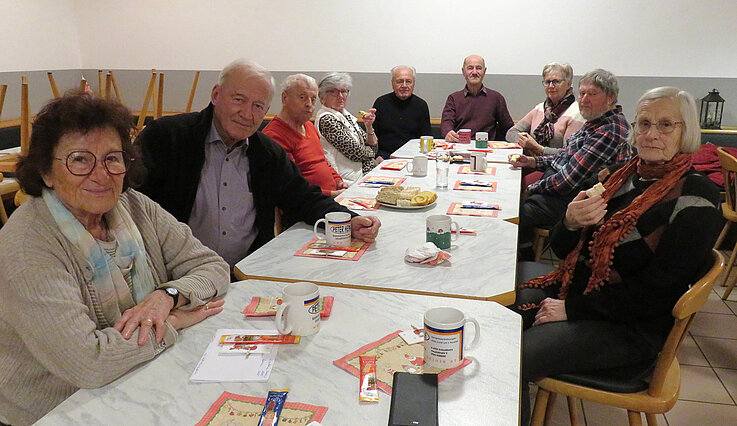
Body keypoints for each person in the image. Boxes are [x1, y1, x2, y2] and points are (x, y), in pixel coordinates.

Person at [0, 93, 230, 425]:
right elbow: (88, 362)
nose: (101, 174)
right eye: (80, 160)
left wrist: (167, 296)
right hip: (56, 411)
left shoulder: (134, 206)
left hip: (137, 381)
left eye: (112, 158)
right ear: (46, 171)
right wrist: (172, 322)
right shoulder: (28, 246)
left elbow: (213, 267)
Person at [511, 87, 722, 425]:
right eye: (644, 123)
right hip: (586, 293)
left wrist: (570, 309)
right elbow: (564, 249)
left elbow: (656, 295)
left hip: (634, 328)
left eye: (666, 124)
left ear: (687, 132)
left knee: (515, 353)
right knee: (504, 297)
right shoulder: (621, 176)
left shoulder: (697, 199)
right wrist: (569, 221)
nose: (651, 134)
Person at [136, 60, 381, 267]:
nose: (247, 114)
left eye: (258, 106)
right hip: (176, 276)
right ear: (216, 95)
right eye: (239, 100)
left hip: (245, 273)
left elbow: (303, 197)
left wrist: (349, 219)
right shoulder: (167, 138)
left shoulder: (266, 152)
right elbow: (131, 204)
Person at [510, 69, 633, 254]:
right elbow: (564, 156)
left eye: (592, 94)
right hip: (559, 194)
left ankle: (518, 260)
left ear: (611, 97)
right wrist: (532, 162)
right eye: (582, 93)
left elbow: (567, 181)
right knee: (513, 203)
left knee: (512, 213)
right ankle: (524, 252)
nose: (584, 99)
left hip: (573, 201)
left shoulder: (610, 130)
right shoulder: (595, 122)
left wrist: (531, 188)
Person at [262, 73, 348, 198]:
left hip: (330, 196)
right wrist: (333, 194)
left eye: (313, 99)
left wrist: (339, 182)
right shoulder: (274, 135)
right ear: (284, 98)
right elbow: (291, 186)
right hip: (309, 203)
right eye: (302, 97)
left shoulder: (309, 126)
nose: (309, 104)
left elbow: (323, 162)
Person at [506, 62, 585, 156]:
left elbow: (568, 154)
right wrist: (526, 144)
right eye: (547, 82)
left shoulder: (576, 113)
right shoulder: (540, 108)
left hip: (555, 165)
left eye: (556, 82)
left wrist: (538, 148)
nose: (551, 86)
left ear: (568, 84)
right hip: (531, 161)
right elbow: (511, 133)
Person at [315, 72, 378, 184]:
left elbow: (374, 146)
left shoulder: (346, 115)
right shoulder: (327, 119)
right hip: (348, 180)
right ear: (322, 96)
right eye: (333, 92)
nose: (340, 96)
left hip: (364, 173)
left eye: (344, 91)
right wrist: (371, 153)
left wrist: (369, 127)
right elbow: (355, 153)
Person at [441, 54, 514, 142]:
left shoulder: (496, 98)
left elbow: (508, 127)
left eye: (478, 68)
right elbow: (446, 123)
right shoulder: (453, 99)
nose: (474, 72)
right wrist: (448, 133)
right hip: (460, 146)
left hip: (486, 147)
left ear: (484, 71)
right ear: (463, 71)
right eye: (470, 68)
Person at [372, 66, 432, 159]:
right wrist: (377, 156)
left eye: (408, 81)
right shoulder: (380, 103)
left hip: (412, 157)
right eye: (399, 81)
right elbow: (372, 137)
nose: (404, 85)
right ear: (392, 83)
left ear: (413, 84)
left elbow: (426, 138)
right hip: (385, 157)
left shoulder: (421, 105)